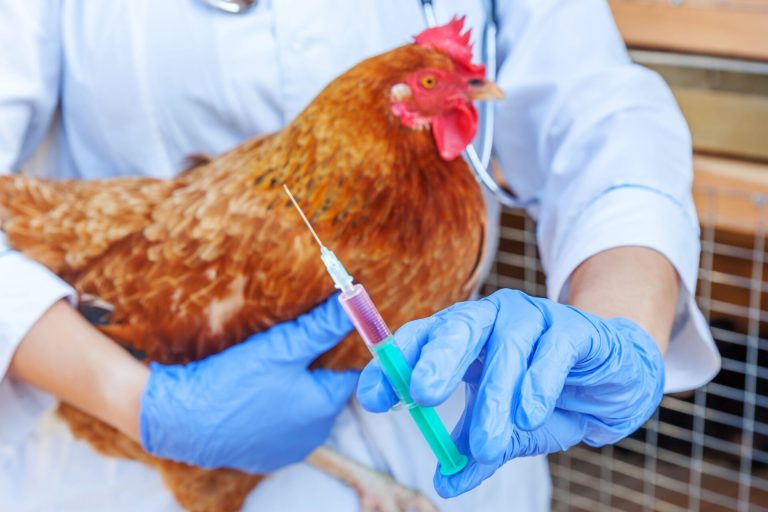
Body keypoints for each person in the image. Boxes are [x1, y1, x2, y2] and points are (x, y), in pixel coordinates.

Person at [0, 1, 720, 511]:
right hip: (136, 443)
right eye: (435, 83)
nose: (471, 89)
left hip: (440, 439)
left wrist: (620, 321)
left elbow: (598, 115)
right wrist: (133, 396)